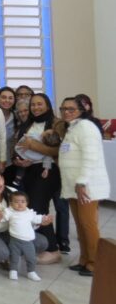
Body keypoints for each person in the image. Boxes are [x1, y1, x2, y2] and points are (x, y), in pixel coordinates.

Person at [3, 93, 62, 263]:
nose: (36, 108)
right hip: (28, 171)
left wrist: (33, 145)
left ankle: (53, 249)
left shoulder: (55, 123)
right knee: (32, 208)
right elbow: (19, 147)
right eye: (33, 105)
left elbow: (57, 150)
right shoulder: (27, 123)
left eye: (39, 104)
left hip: (47, 171)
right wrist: (19, 160)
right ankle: (39, 245)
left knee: (39, 207)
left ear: (48, 105)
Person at [58, 97, 111, 276]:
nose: (66, 112)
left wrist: (82, 182)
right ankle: (84, 259)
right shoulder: (72, 128)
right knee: (80, 225)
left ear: (81, 110)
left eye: (71, 109)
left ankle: (95, 263)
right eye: (63, 108)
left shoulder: (86, 127)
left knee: (88, 224)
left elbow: (90, 157)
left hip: (85, 186)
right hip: (74, 186)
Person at [0, 191, 50, 281]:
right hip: (14, 240)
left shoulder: (29, 213)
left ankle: (31, 272)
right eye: (16, 202)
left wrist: (44, 218)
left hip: (28, 241)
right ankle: (13, 271)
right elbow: (2, 218)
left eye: (23, 202)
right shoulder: (9, 211)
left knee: (31, 258)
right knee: (14, 257)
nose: (20, 204)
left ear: (27, 203)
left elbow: (37, 218)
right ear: (11, 203)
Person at [0, 87, 17, 163]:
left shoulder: (17, 118)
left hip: (10, 162)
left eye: (10, 98)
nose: (7, 100)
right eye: (4, 97)